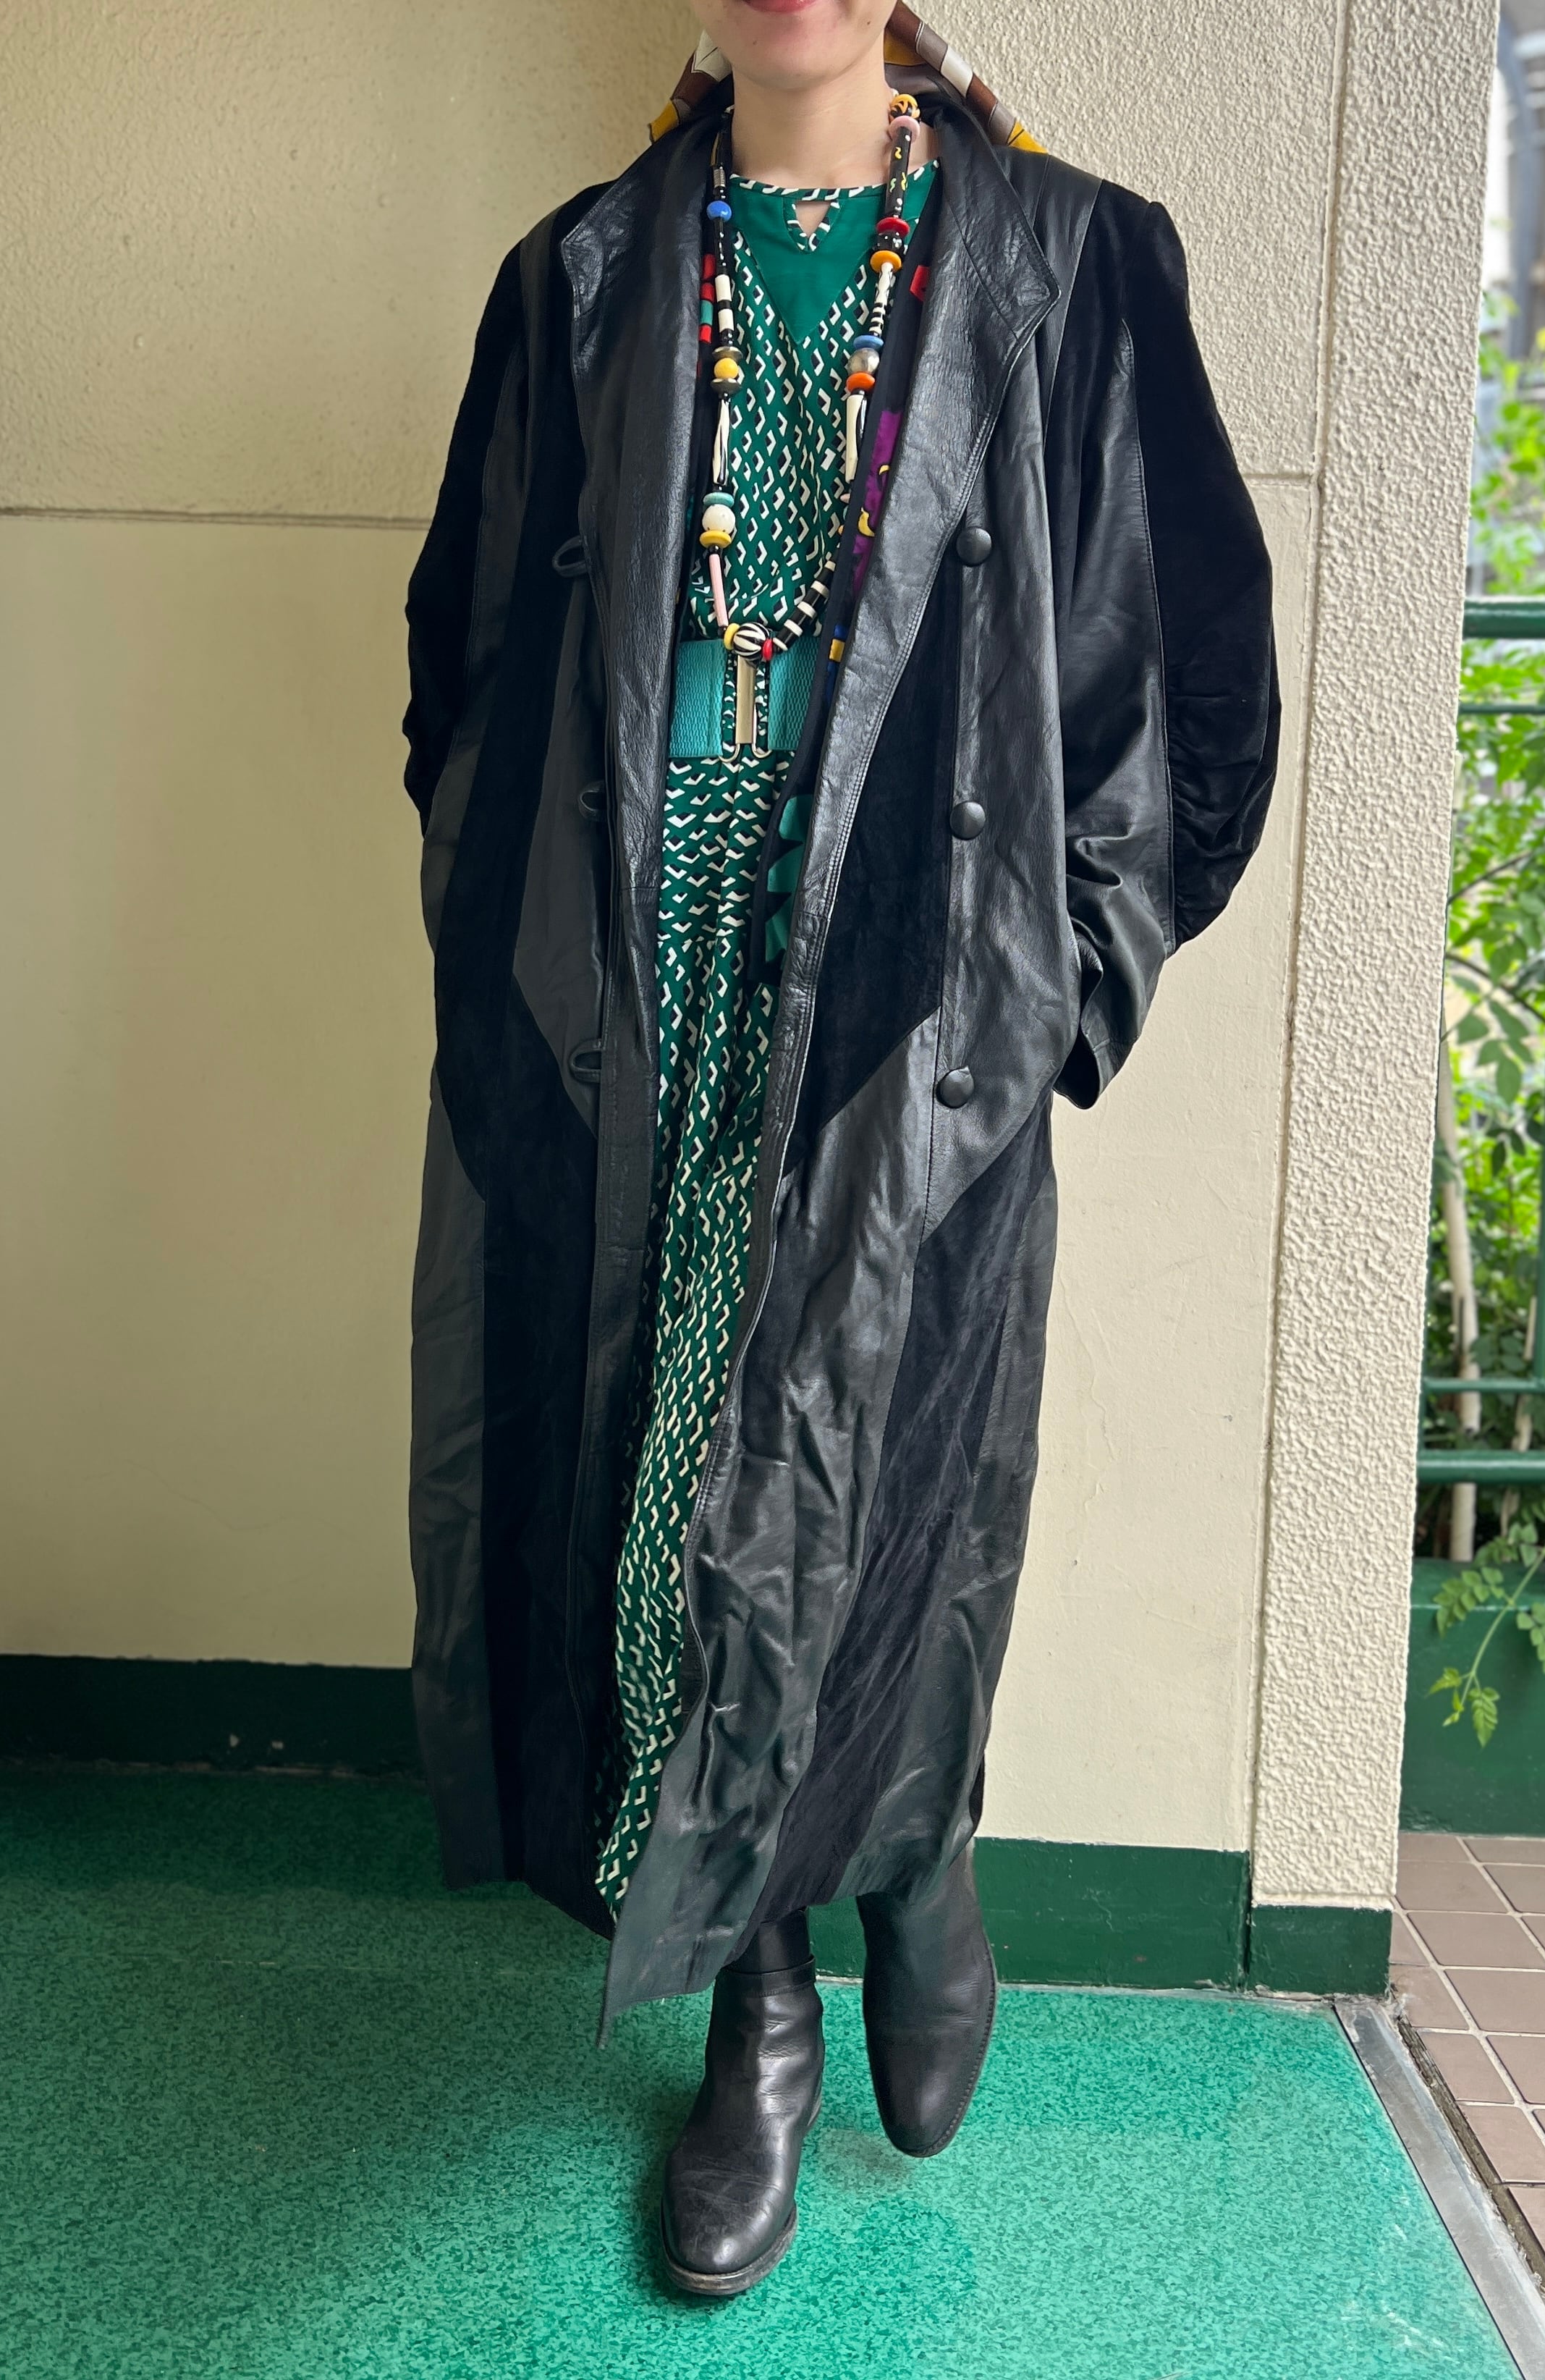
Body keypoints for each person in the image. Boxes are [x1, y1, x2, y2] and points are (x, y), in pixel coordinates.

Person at [402, 0, 1278, 2298]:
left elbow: (1189, 671)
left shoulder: (1074, 259)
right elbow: (458, 665)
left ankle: (916, 1857)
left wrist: (1052, 989)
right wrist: (511, 955)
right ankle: (764, 2004)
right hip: (637, 988)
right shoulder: (584, 275)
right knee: (680, 1480)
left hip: (913, 992)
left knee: (884, 1478)